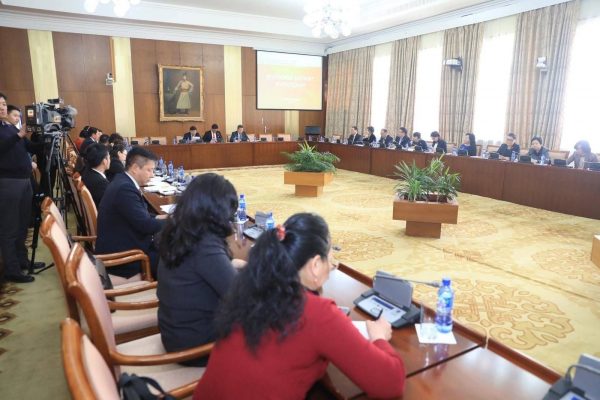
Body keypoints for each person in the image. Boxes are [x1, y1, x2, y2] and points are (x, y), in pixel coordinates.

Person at [194, 213, 405, 399]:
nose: (334, 263)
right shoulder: (316, 312)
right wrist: (379, 337)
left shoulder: (252, 287)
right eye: (330, 255)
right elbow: (390, 383)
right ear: (315, 265)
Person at [157, 173, 251, 366]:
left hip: (174, 332)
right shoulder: (205, 245)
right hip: (195, 347)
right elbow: (242, 296)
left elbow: (198, 269)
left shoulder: (181, 230)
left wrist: (234, 265)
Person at [95, 146, 167, 278]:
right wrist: (177, 221)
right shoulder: (125, 189)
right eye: (149, 170)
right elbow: (146, 225)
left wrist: (159, 217)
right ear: (135, 168)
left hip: (126, 244)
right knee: (176, 256)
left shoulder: (122, 181)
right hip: (125, 259)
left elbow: (139, 215)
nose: (152, 175)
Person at [0, 93, 37, 283]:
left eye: (4, 104)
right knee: (9, 227)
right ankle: (12, 269)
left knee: (23, 224)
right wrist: (18, 135)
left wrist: (45, 137)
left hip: (24, 180)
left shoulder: (9, 127)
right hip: (8, 182)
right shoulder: (10, 132)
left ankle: (23, 261)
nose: (2, 107)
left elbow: (29, 147)